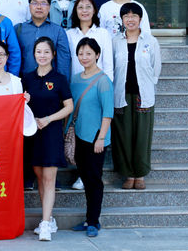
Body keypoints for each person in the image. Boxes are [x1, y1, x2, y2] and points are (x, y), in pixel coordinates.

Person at [22, 37, 74, 242]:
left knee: (50, 178)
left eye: (46, 52)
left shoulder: (59, 79)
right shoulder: (27, 78)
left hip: (52, 133)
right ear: (33, 54)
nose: (42, 55)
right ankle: (49, 218)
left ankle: (44, 224)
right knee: (40, 177)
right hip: (32, 133)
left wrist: (49, 119)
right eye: (38, 52)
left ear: (53, 54)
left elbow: (69, 106)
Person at [111, 2, 161, 191]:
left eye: (134, 16)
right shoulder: (115, 41)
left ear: (140, 19)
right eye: (126, 16)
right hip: (121, 94)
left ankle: (139, 174)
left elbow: (156, 67)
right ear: (122, 20)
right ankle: (128, 174)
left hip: (143, 95)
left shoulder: (150, 41)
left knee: (142, 135)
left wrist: (149, 85)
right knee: (123, 135)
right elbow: (111, 67)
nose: (130, 19)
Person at [70, 37, 114, 238]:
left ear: (97, 55)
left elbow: (108, 112)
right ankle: (89, 219)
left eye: (88, 53)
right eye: (81, 53)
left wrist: (101, 138)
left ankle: (94, 221)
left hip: (96, 138)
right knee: (86, 178)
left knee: (94, 180)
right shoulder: (75, 79)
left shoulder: (103, 80)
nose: (84, 57)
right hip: (78, 136)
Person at [15, 0, 72, 82]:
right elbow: (13, 58)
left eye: (43, 3)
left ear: (49, 7)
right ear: (29, 7)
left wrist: (62, 84)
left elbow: (63, 61)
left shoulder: (58, 31)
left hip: (50, 83)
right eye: (35, 3)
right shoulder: (18, 29)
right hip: (24, 81)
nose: (39, 7)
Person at [67, 0, 114, 80]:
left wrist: (107, 84)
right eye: (80, 7)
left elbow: (108, 65)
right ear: (75, 11)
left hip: (98, 83)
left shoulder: (103, 33)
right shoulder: (69, 34)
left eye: (88, 7)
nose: (84, 10)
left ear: (94, 10)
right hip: (76, 83)